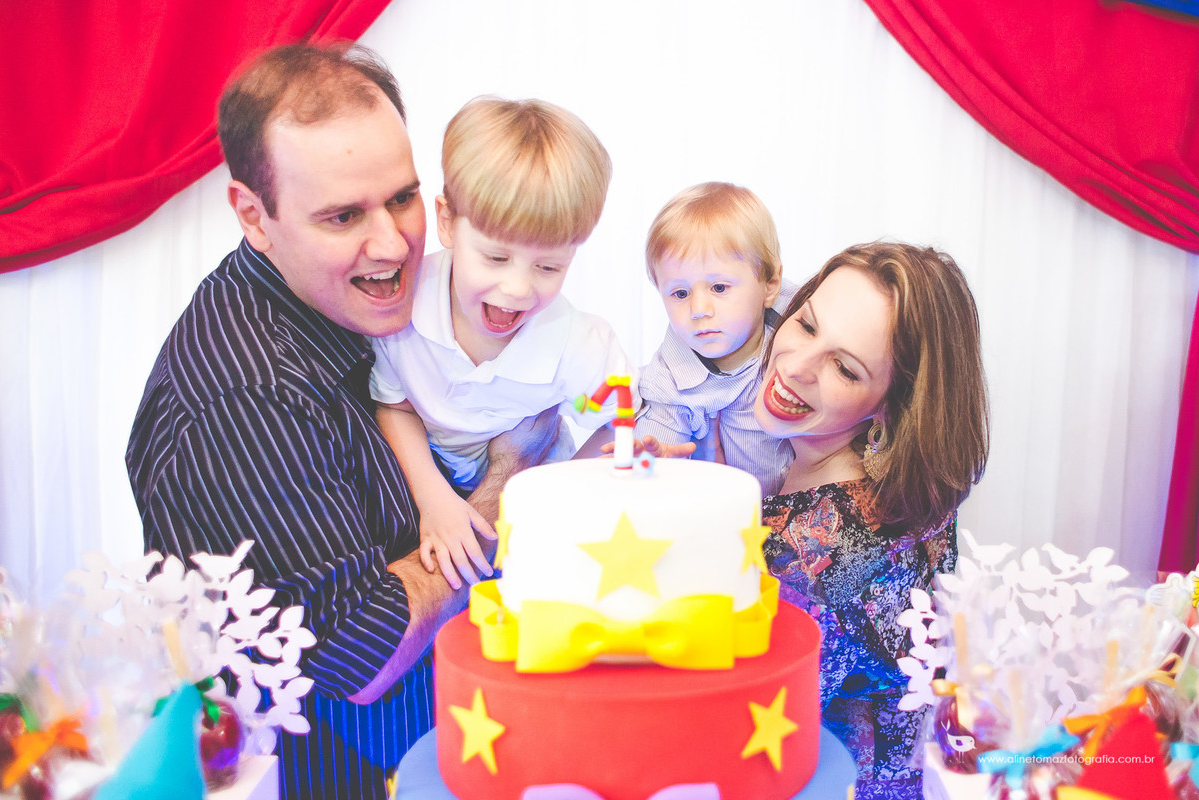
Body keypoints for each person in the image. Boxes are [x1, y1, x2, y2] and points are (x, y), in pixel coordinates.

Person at [125, 43, 558, 800]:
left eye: (402, 197)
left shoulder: (358, 303)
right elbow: (360, 647)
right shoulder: (246, 398)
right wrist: (499, 495)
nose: (393, 244)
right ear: (254, 216)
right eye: (343, 215)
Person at [753, 242, 989, 800]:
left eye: (844, 367)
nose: (795, 366)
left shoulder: (814, 551)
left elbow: (743, 731)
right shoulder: (895, 490)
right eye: (807, 325)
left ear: (890, 404)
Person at [369, 96, 631, 589]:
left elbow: (616, 424)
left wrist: (556, 492)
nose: (518, 288)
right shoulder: (404, 304)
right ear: (447, 222)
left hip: (534, 509)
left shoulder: (578, 344)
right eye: (494, 258)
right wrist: (434, 500)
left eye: (549, 267)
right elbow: (394, 405)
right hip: (424, 487)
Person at [631, 182, 798, 496]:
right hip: (727, 519)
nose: (699, 310)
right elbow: (657, 445)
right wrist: (655, 459)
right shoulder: (668, 377)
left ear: (770, 285)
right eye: (680, 293)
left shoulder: (799, 321)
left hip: (808, 504)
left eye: (719, 288)